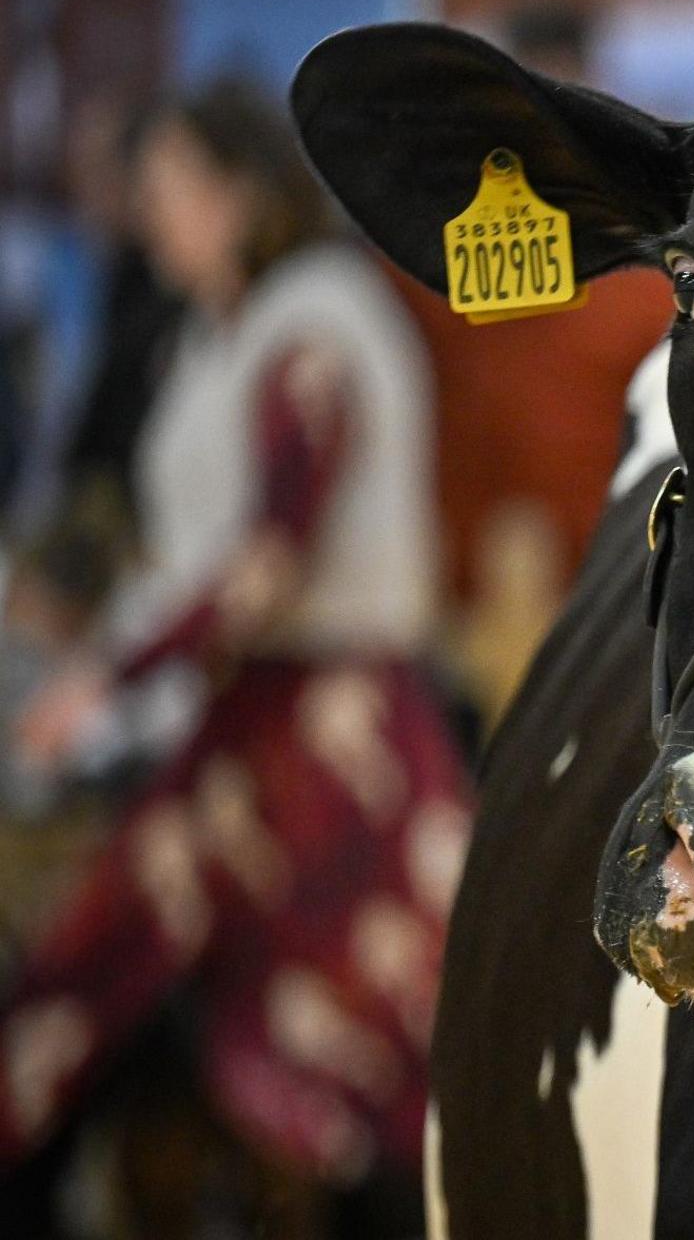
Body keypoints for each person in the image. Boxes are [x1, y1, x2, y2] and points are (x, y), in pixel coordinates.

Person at [0, 81, 466, 1235]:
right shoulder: (229, 328)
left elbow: (267, 561)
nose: (148, 218)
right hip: (257, 729)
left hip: (323, 741)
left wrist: (105, 678)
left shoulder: (314, 318)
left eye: (164, 193)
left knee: (381, 1057)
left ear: (237, 194)